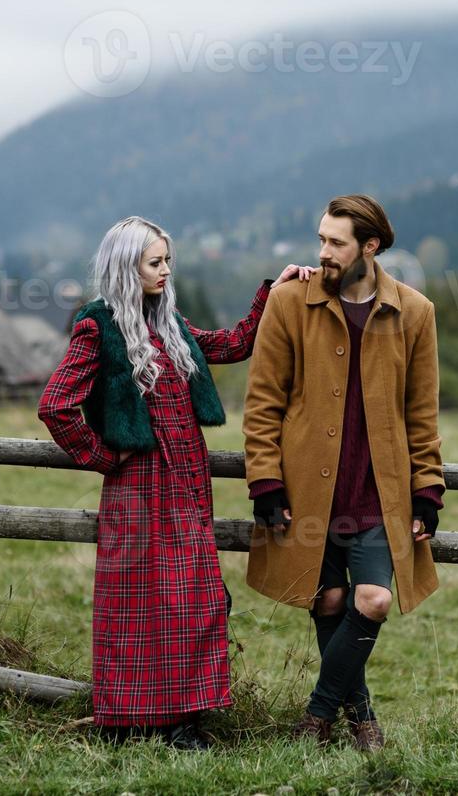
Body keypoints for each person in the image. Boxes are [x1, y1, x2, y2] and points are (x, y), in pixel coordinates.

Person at [38, 215, 312, 750]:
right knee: (135, 605)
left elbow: (233, 345)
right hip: (138, 484)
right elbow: (56, 405)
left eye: (168, 261)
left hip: (187, 478)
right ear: (126, 266)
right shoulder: (99, 325)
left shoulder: (169, 322)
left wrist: (271, 293)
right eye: (154, 262)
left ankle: (182, 720)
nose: (165, 271)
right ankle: (129, 719)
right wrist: (104, 459)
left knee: (193, 600)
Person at [242, 194, 445, 751]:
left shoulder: (415, 312)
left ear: (369, 247)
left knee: (373, 599)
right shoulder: (288, 303)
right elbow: (262, 403)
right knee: (328, 600)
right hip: (309, 488)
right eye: (321, 240)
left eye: (336, 242)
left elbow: (422, 414)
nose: (324, 252)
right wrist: (265, 481)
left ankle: (317, 715)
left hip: (379, 493)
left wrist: (427, 488)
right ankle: (362, 720)